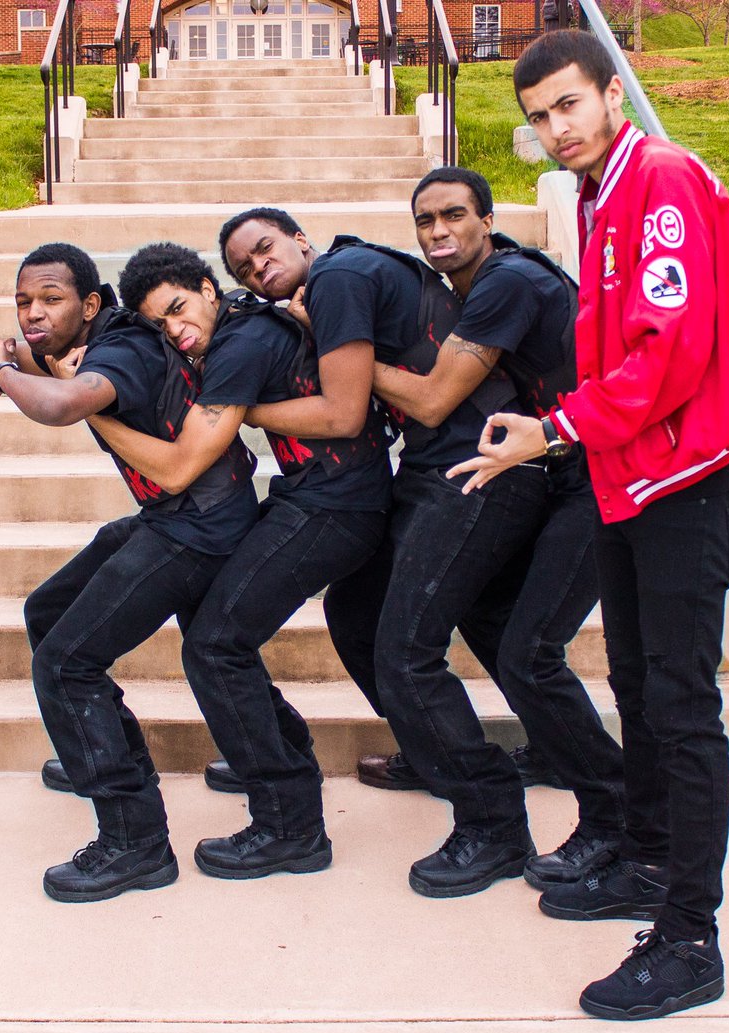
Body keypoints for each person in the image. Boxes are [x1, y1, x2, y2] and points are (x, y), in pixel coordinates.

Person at [448, 30, 729, 1020]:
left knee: (678, 707)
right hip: (634, 474)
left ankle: (690, 935)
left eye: (570, 106)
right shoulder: (602, 193)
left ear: (612, 93)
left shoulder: (661, 180)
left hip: (691, 477)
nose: (557, 129)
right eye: (540, 116)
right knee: (635, 682)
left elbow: (670, 356)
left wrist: (552, 431)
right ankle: (648, 861)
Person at [221, 207, 552, 899]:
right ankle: (434, 750)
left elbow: (342, 415)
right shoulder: (353, 274)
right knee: (356, 607)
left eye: (264, 249)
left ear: (301, 240)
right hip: (439, 470)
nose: (258, 267)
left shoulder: (338, 278)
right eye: (244, 268)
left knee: (406, 652)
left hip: (478, 471)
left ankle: (493, 823)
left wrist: (240, 412)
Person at [75, 242, 393, 879]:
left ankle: (289, 824)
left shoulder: (240, 344)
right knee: (214, 627)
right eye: (160, 325)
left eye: (179, 308)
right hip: (313, 496)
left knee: (216, 644)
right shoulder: (240, 327)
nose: (175, 330)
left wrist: (92, 411)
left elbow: (181, 467)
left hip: (336, 508)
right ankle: (278, 751)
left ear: (208, 288)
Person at [356, 166, 628, 892]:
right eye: (425, 221)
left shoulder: (506, 280)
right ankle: (553, 749)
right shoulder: (482, 285)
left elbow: (436, 400)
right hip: (561, 466)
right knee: (495, 623)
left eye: (453, 216)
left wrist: (347, 351)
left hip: (600, 476)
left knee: (527, 654)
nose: (438, 232)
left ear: (487, 218)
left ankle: (608, 815)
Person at [0, 243, 260, 902]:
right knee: (47, 615)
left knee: (63, 663)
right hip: (175, 517)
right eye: (24, 302)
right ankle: (96, 751)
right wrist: (15, 353)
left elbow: (59, 405)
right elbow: (40, 358)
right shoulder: (83, 340)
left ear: (92, 304)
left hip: (198, 530)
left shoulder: (119, 352)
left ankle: (135, 842)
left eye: (51, 298)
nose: (35, 313)